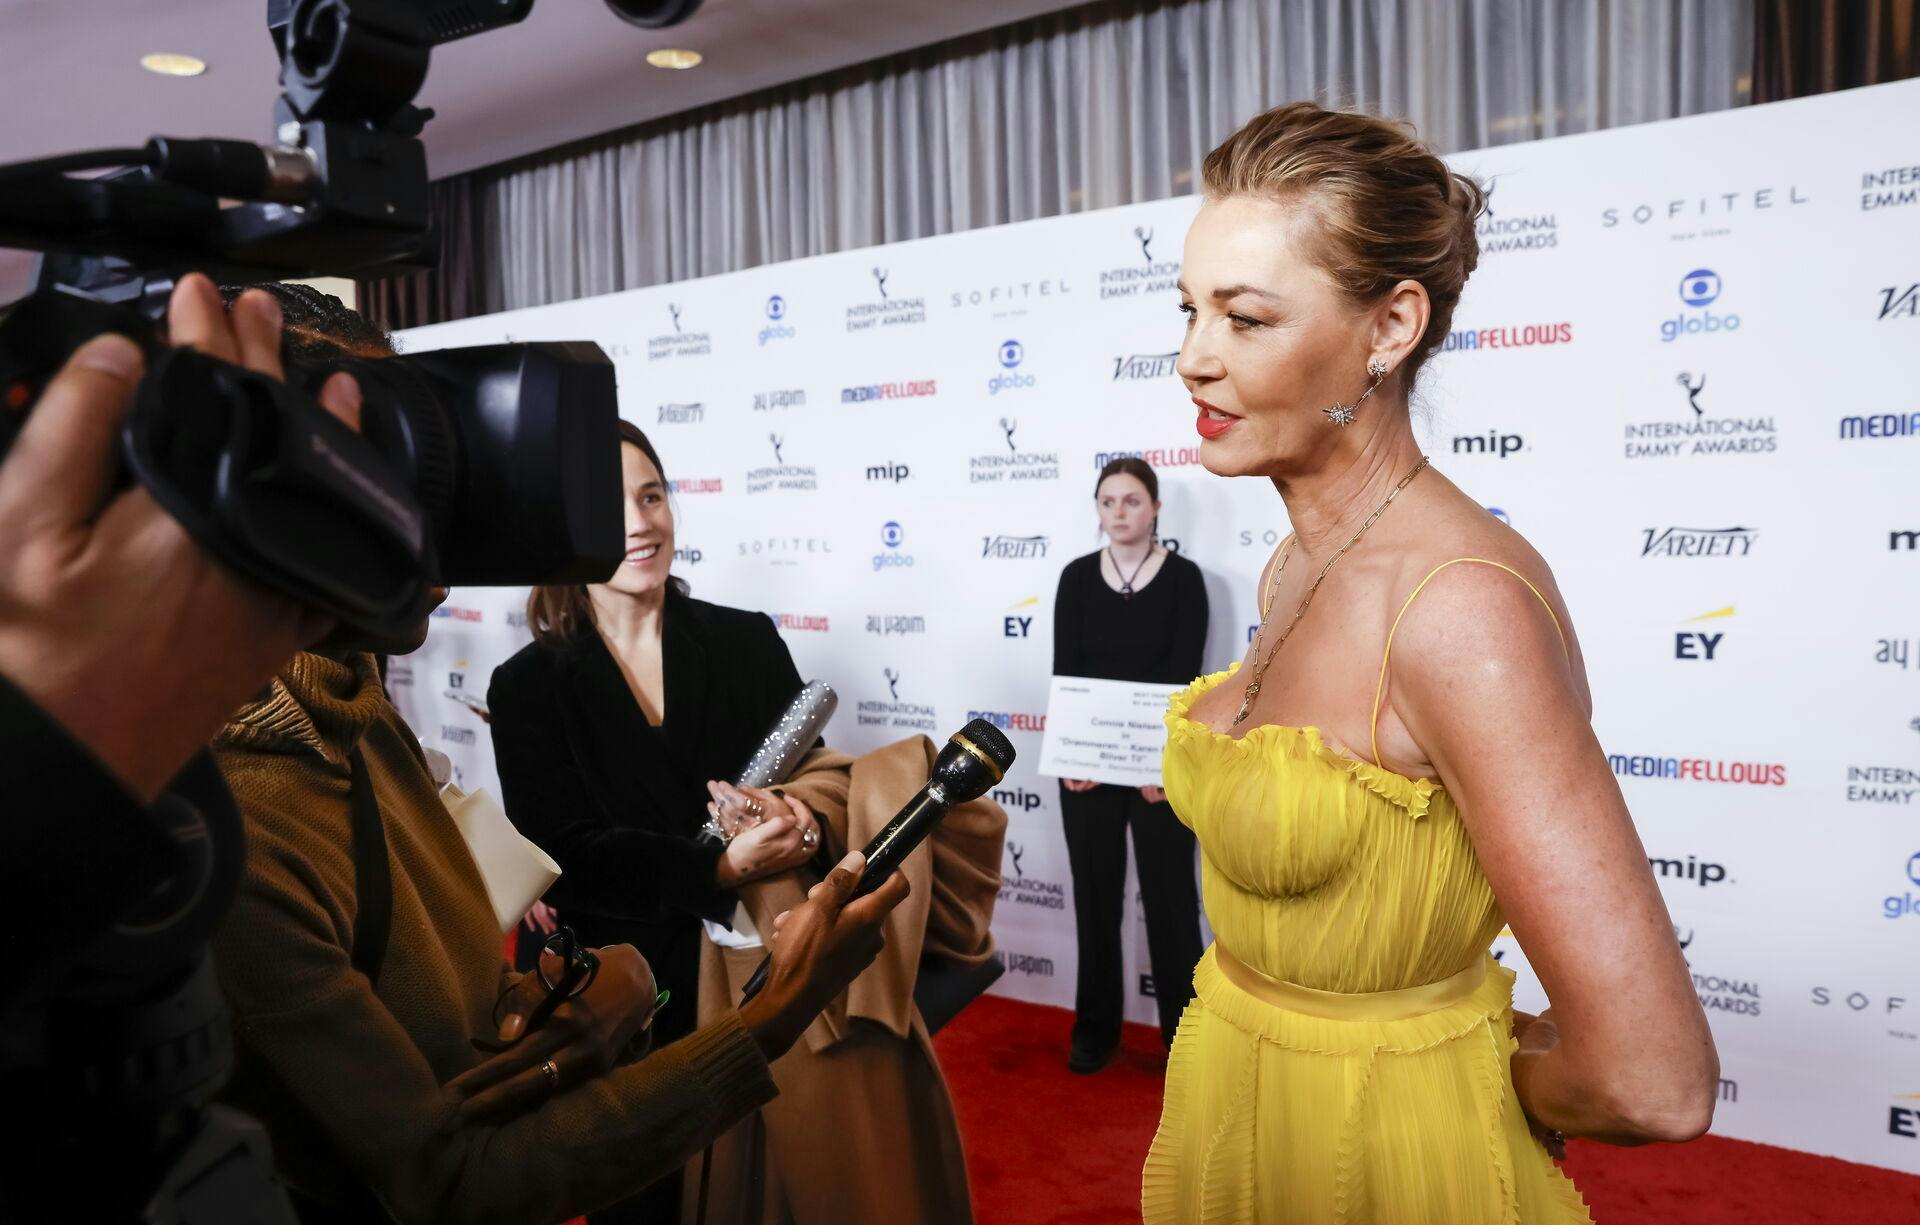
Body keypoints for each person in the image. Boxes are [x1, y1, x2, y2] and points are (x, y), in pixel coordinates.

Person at [205, 283, 911, 1225]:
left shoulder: (358, 710)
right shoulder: (232, 822)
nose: (439, 548)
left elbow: (455, 1010)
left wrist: (561, 1007)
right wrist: (771, 1009)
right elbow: (448, 1172)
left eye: (424, 481)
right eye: (376, 482)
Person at [1140, 103, 1718, 1223]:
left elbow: (1653, 1080)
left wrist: (1460, 1085)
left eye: (1246, 319)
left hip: (1395, 1167)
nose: (1192, 360)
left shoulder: (1459, 612)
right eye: (1190, 309)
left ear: (1391, 325)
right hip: (1243, 1123)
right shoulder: (1291, 566)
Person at [487, 426, 1000, 1225]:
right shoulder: (525, 685)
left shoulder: (745, 638)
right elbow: (568, 855)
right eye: (608, 504)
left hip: (761, 981)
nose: (640, 521)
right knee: (644, 1204)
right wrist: (716, 871)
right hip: (625, 1002)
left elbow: (819, 775)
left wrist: (798, 817)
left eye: (651, 494)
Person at [1050, 457, 1208, 1074]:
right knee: (1094, 901)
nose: (1120, 513)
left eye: (1132, 501)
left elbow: (1185, 679)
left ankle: (1185, 1039)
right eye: (1109, 501)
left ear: (1156, 508)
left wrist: (1161, 765)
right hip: (1085, 771)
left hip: (1159, 774)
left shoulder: (1186, 579)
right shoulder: (1075, 578)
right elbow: (1067, 673)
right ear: (1098, 510)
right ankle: (1094, 1030)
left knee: (1171, 905)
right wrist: (1071, 756)